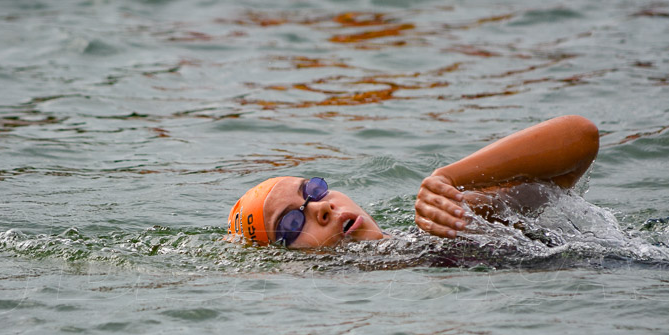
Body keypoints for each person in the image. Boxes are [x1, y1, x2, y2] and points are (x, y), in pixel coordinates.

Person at [226, 115, 600, 249]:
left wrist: (449, 179)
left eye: (313, 191)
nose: (321, 208)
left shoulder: (447, 221)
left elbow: (581, 139)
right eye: (292, 224)